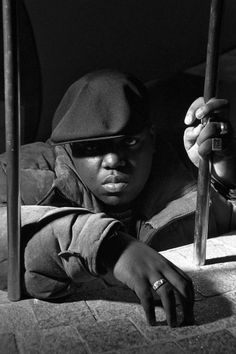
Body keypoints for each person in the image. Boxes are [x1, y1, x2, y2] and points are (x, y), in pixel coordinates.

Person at [0, 69, 235, 327]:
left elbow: (226, 223)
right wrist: (108, 248)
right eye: (92, 147)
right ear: (66, 149)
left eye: (130, 142)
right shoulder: (20, 173)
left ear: (152, 140)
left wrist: (224, 175)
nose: (114, 160)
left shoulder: (180, 163)